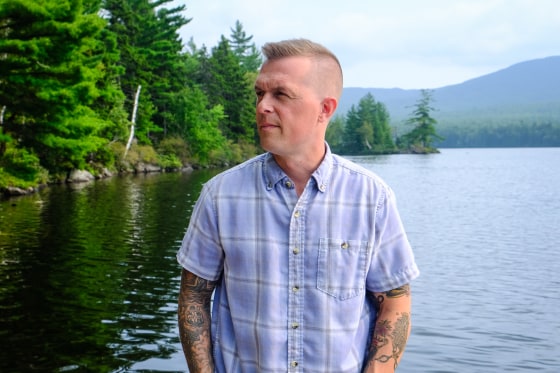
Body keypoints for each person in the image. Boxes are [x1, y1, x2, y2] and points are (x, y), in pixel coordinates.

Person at [177, 38, 420, 373]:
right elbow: (194, 298)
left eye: (281, 94)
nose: (262, 106)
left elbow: (395, 302)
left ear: (325, 108)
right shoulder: (220, 196)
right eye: (259, 94)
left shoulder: (371, 199)